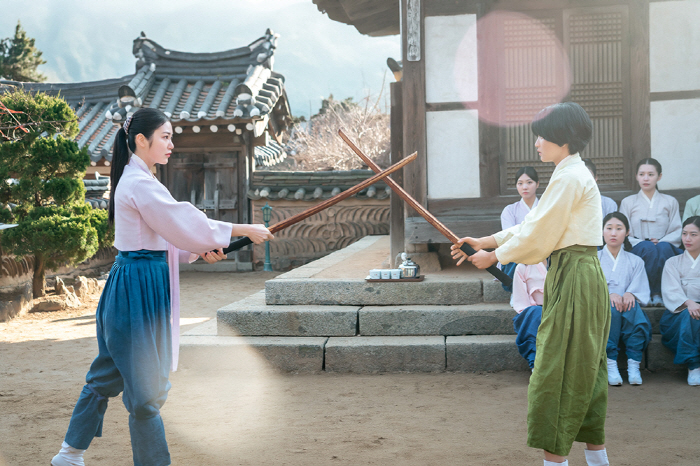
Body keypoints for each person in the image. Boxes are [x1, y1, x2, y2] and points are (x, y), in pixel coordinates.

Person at [50, 108, 273, 466]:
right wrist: (241, 229)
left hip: (139, 281)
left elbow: (167, 237)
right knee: (145, 389)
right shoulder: (138, 183)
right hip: (136, 286)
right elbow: (182, 219)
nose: (172, 144)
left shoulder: (143, 181)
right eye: (166, 137)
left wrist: (201, 250)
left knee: (108, 373)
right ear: (142, 139)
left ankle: (69, 454)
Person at [452, 102, 610, 466]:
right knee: (583, 366)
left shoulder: (570, 176)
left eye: (541, 135)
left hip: (575, 276)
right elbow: (531, 224)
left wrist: (496, 257)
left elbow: (540, 234)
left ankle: (556, 462)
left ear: (561, 137)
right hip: (574, 274)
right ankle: (596, 459)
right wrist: (487, 241)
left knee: (555, 369)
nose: (537, 143)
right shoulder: (569, 174)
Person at [598, 212, 651, 386]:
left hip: (628, 308)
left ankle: (633, 363)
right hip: (601, 307)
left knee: (631, 306)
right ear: (602, 231)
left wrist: (631, 293)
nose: (613, 233)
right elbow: (589, 288)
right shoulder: (593, 260)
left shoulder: (635, 261)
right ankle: (611, 363)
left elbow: (640, 289)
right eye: (609, 228)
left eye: (619, 229)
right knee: (611, 308)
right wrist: (608, 294)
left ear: (627, 232)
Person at [620, 158, 682, 306]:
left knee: (663, 248)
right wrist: (642, 242)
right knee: (648, 248)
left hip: (665, 246)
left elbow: (677, 229)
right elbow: (623, 231)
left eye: (650, 174)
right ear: (636, 176)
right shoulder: (628, 202)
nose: (646, 178)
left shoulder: (670, 201)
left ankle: (661, 293)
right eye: (642, 174)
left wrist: (661, 241)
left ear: (659, 176)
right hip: (638, 246)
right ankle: (649, 293)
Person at [659, 216, 700, 386]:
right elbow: (671, 292)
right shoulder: (672, 263)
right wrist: (690, 303)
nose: (687, 239)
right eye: (684, 234)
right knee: (690, 316)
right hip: (679, 314)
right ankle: (694, 366)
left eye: (693, 234)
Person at [499, 167, 540, 291]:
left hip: (541, 251)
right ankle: (517, 292)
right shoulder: (509, 210)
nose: (525, 187)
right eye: (520, 183)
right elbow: (509, 237)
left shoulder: (545, 207)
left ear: (537, 184)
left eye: (529, 182)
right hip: (517, 251)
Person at [511, 261, 547, 370]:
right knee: (536, 314)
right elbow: (521, 304)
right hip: (532, 313)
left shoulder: (566, 263)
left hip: (559, 310)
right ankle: (535, 366)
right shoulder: (524, 267)